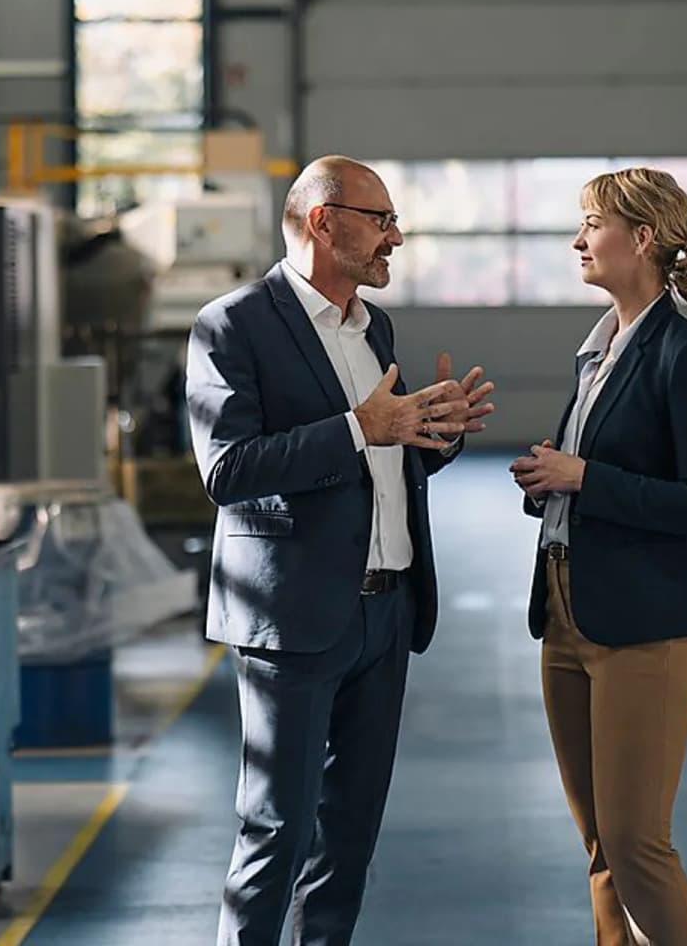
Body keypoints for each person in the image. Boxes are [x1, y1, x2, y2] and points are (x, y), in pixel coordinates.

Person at [186, 155, 495, 946]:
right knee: (275, 832)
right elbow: (229, 470)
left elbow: (388, 459)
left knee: (348, 839)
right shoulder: (233, 325)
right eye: (380, 218)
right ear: (323, 221)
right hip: (291, 620)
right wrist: (363, 426)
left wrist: (436, 431)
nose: (396, 236)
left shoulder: (373, 325)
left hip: (385, 611)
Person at [509, 166, 687, 946]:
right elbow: (597, 478)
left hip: (645, 626)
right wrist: (552, 482)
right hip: (569, 613)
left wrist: (586, 477)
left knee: (639, 844)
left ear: (641, 238)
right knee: (603, 846)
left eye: (591, 224)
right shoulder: (597, 354)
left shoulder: (686, 357)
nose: (578, 240)